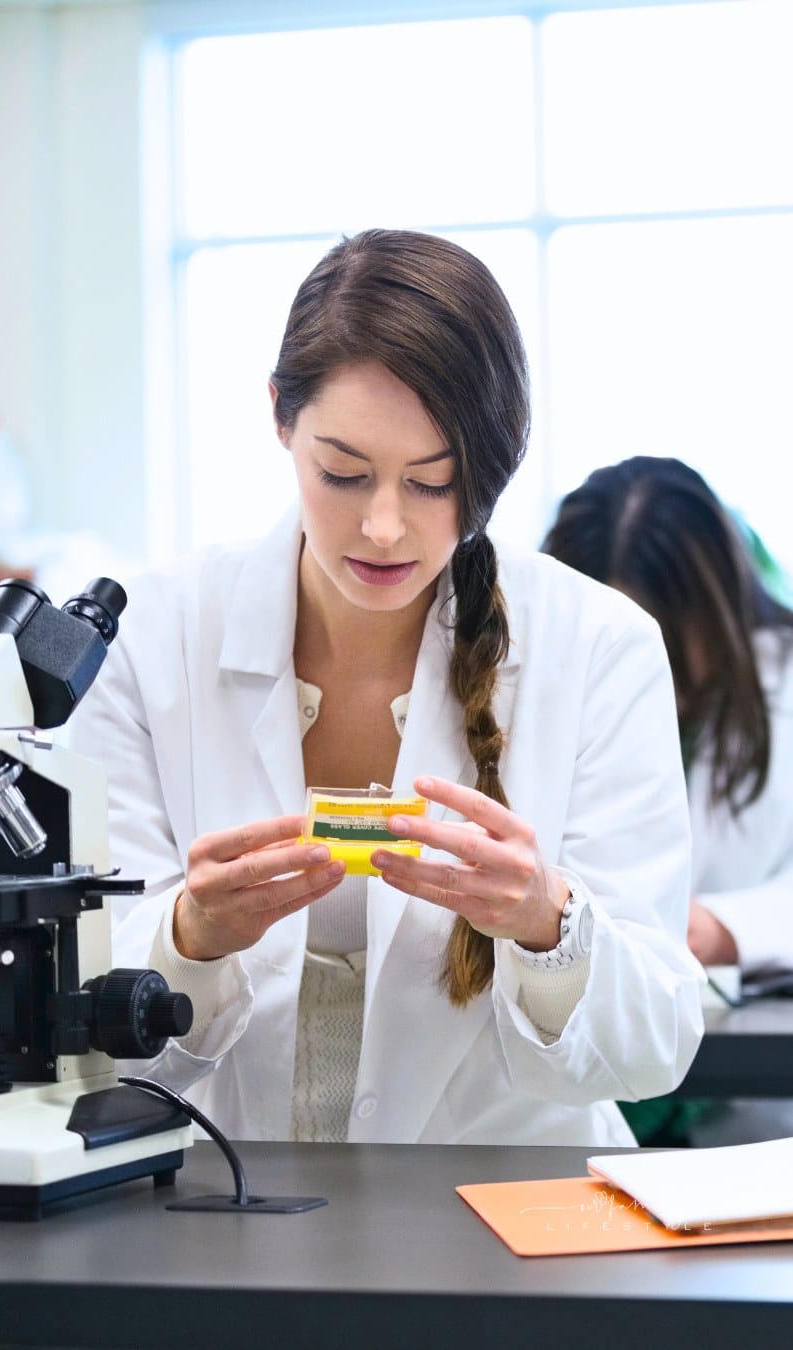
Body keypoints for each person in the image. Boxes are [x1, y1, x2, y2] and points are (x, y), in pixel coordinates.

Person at [69, 230, 703, 1148]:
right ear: (281, 417)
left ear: (487, 471)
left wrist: (545, 923)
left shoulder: (599, 648)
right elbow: (95, 1035)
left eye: (433, 482)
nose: (383, 525)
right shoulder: (153, 641)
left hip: (517, 1225)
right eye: (344, 472)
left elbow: (657, 1043)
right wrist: (190, 937)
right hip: (223, 1220)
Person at [542, 455, 793, 1144]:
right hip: (568, 1077)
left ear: (719, 613)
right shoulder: (531, 689)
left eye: (673, 656)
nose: (650, 685)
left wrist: (722, 927)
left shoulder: (782, 683)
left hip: (738, 1109)